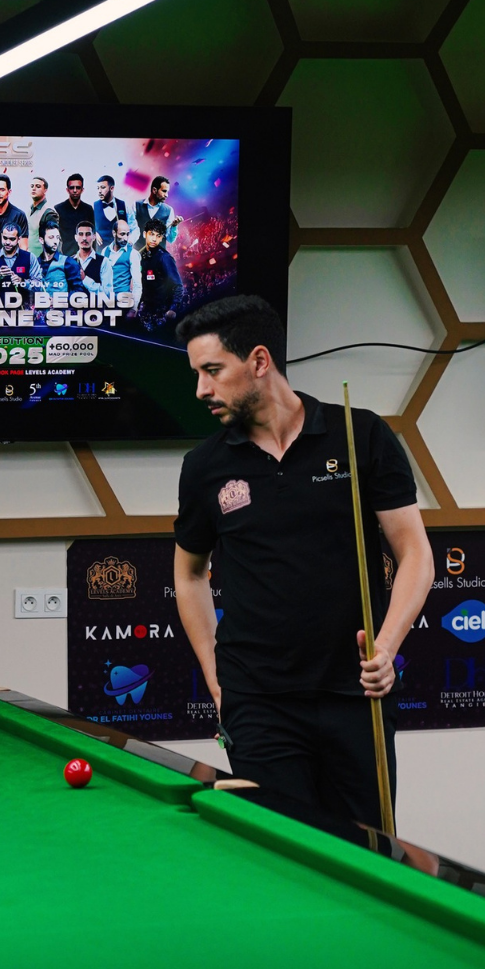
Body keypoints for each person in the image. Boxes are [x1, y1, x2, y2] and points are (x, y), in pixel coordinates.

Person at [172, 295, 433, 830]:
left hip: (356, 696)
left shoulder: (360, 436)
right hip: (258, 703)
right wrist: (218, 683)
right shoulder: (204, 466)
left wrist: (385, 649)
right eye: (198, 373)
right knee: (279, 848)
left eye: (212, 371)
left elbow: (415, 554)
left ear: (259, 361)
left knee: (368, 851)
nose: (201, 389)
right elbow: (189, 574)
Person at [136, 219, 182, 330]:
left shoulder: (165, 258)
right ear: (144, 234)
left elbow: (178, 286)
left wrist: (173, 309)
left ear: (161, 238)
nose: (154, 239)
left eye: (158, 236)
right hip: (145, 310)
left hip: (161, 313)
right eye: (151, 234)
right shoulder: (139, 255)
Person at [0, 223, 42, 302]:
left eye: (12, 239)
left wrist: (22, 282)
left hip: (23, 307)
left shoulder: (30, 258)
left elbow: (39, 287)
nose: (8, 242)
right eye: (5, 238)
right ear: (1, 236)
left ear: (19, 239)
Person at [100, 219, 142, 311]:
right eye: (122, 234)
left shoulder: (133, 254)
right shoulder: (105, 251)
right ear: (114, 233)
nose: (126, 238)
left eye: (127, 234)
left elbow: (137, 284)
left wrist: (134, 308)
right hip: (106, 303)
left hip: (124, 303)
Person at [37, 223, 82, 302]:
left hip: (61, 308)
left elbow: (79, 292)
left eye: (57, 237)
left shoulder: (68, 263)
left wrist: (59, 300)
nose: (55, 241)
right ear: (41, 240)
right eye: (51, 237)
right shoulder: (35, 263)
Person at [135, 175, 183, 245]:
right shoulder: (136, 205)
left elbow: (170, 240)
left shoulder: (169, 210)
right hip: (138, 250)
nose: (166, 195)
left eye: (167, 192)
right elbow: (131, 230)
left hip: (159, 251)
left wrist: (174, 226)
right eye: (164, 191)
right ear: (154, 190)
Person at [53, 173, 93, 255]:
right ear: (67, 190)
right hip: (64, 256)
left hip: (84, 255)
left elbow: (92, 234)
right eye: (72, 188)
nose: (75, 190)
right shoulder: (58, 209)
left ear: (82, 190)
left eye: (78, 187)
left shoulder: (88, 209)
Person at [92, 174, 133, 250]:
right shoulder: (93, 206)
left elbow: (133, 227)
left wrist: (130, 241)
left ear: (112, 188)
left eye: (103, 187)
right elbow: (87, 227)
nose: (99, 191)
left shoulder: (124, 205)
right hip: (100, 251)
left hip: (121, 251)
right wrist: (94, 233)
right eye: (98, 188)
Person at [27, 175, 59, 261]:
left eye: (38, 186)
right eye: (32, 186)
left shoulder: (49, 213)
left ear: (45, 190)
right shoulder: (29, 210)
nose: (34, 189)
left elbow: (53, 240)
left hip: (42, 262)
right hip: (30, 259)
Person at [72, 220, 103, 291]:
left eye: (88, 234)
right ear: (76, 237)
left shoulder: (103, 262)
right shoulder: (69, 262)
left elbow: (107, 292)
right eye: (81, 234)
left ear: (94, 237)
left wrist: (85, 279)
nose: (84, 238)